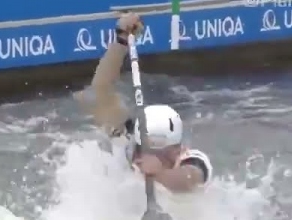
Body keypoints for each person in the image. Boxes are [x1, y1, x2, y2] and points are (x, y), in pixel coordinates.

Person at [81, 12, 214, 193]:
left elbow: (187, 180)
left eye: (162, 153)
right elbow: (100, 90)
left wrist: (158, 173)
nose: (148, 157)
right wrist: (121, 41)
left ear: (175, 148)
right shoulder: (130, 142)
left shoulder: (195, 162)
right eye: (147, 149)